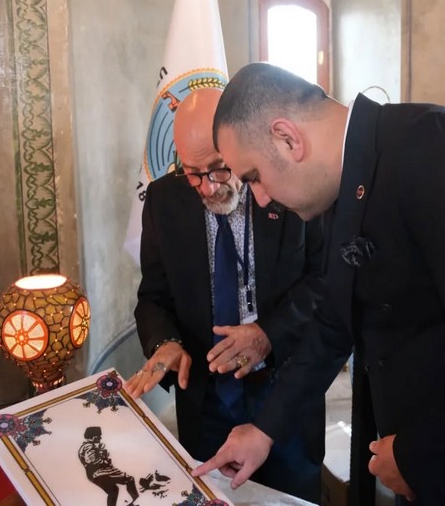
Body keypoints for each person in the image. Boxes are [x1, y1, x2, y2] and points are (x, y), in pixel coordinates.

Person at [195, 63, 445, 505]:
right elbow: (335, 321)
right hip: (439, 461)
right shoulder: (340, 185)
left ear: (287, 138)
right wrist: (265, 429)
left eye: (254, 177)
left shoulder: (436, 147)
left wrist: (417, 457)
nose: (260, 198)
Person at [124, 87, 326, 502]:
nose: (205, 187)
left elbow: (324, 280)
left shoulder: (287, 185)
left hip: (284, 388)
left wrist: (268, 333)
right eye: (191, 172)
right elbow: (153, 296)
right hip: (207, 399)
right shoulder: (164, 200)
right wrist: (165, 343)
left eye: (218, 169)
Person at [78, 426, 140, 506]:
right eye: (99, 436)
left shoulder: (89, 446)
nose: (100, 438)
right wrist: (103, 457)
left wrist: (101, 452)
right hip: (100, 472)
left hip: (96, 475)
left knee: (113, 490)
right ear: (94, 437)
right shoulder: (88, 446)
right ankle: (135, 501)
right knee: (129, 479)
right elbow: (92, 461)